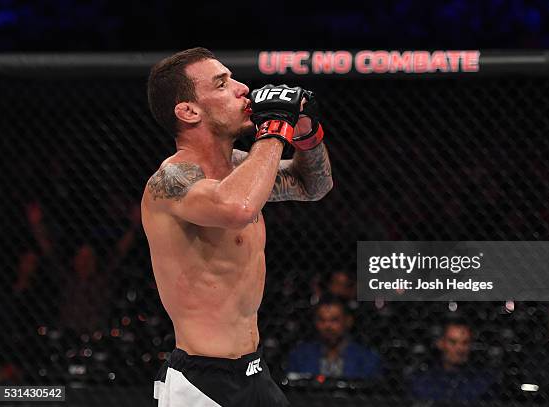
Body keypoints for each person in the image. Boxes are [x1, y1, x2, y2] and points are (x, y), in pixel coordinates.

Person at [142, 47, 332, 407]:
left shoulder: (241, 169)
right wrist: (276, 125)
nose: (243, 88)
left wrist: (306, 132)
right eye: (222, 84)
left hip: (254, 372)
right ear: (188, 110)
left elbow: (313, 186)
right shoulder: (170, 181)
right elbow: (237, 206)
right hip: (202, 385)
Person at [286, 295, 381, 380]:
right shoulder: (299, 356)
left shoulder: (367, 359)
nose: (328, 326)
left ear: (348, 321)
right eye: (322, 320)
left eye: (334, 320)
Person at [409, 319, 496, 403]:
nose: (460, 349)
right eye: (453, 342)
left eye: (465, 343)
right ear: (440, 343)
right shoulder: (422, 381)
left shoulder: (483, 382)